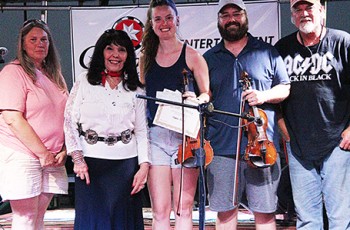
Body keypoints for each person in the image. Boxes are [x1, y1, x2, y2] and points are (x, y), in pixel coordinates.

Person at [203, 0, 291, 229]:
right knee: (225, 213)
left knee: (265, 213)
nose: (231, 19)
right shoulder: (209, 58)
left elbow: (285, 88)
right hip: (221, 148)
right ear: (219, 20)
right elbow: (203, 96)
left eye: (236, 14)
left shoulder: (267, 51)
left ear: (245, 16)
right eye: (225, 15)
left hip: (262, 147)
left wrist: (263, 96)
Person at [64, 29, 150, 230]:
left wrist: (144, 166)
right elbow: (69, 120)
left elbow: (142, 131)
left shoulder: (135, 88)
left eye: (121, 50)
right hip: (90, 165)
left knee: (124, 222)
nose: (115, 55)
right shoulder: (84, 81)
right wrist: (77, 158)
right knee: (93, 222)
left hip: (126, 166)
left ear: (128, 55)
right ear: (101, 52)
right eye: (109, 49)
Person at [274, 0, 350, 229]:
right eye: (298, 9)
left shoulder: (342, 42)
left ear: (322, 10)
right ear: (292, 15)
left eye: (310, 7)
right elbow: (274, 94)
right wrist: (283, 130)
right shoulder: (282, 48)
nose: (304, 13)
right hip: (298, 147)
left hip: (337, 143)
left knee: (339, 219)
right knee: (307, 220)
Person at [139, 0, 210, 229]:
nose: (164, 23)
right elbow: (140, 95)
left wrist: (197, 99)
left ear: (177, 20)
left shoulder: (192, 55)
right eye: (158, 19)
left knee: (183, 207)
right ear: (151, 24)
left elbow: (207, 94)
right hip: (156, 137)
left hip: (185, 137)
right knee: (160, 210)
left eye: (168, 17)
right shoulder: (145, 58)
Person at [0, 19, 68, 230]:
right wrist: (42, 153)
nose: (40, 44)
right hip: (23, 154)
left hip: (53, 158)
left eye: (44, 39)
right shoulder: (13, 72)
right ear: (22, 44)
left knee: (38, 217)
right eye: (34, 39)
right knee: (25, 217)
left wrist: (64, 150)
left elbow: (66, 116)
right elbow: (12, 118)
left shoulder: (53, 75)